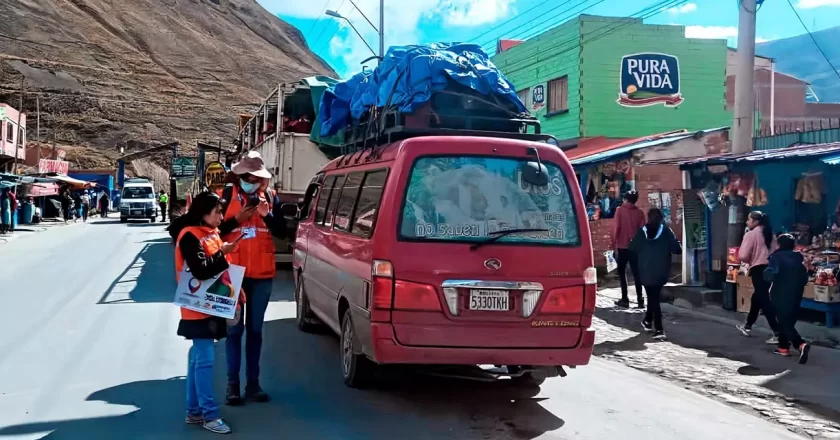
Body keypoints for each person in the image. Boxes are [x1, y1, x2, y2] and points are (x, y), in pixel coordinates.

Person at [167, 192, 243, 434]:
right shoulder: (190, 236)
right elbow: (200, 271)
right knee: (205, 360)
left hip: (210, 304)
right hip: (197, 307)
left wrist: (236, 295)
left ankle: (194, 411)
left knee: (198, 359)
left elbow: (222, 272)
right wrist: (223, 252)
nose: (222, 217)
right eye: (217, 212)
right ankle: (210, 415)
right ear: (203, 213)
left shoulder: (210, 233)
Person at [218, 151, 287, 406]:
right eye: (249, 177)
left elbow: (282, 232)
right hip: (233, 275)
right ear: (240, 176)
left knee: (256, 332)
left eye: (257, 178)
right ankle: (232, 386)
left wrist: (268, 215)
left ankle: (253, 384)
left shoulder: (269, 197)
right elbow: (214, 232)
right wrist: (237, 219)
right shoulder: (225, 198)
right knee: (234, 332)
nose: (253, 182)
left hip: (261, 275)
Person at [629, 208, 682, 340]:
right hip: (661, 270)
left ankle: (658, 327)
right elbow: (677, 250)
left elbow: (632, 249)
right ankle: (650, 322)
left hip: (645, 270)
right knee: (654, 297)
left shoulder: (642, 232)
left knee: (652, 297)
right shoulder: (665, 231)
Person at [764, 234, 812, 363]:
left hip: (780, 293)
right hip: (796, 293)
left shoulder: (776, 257)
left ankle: (800, 344)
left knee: (783, 321)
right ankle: (783, 348)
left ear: (779, 245)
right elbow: (805, 278)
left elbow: (770, 275)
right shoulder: (798, 258)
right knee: (788, 320)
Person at [736, 211, 781, 343]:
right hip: (770, 268)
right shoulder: (770, 234)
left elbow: (743, 256)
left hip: (758, 268)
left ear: (756, 222)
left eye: (749, 220)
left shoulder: (751, 234)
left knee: (764, 299)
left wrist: (751, 259)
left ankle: (777, 332)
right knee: (757, 297)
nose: (747, 222)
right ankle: (748, 326)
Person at [611, 191, 647, 308]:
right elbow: (643, 232)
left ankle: (625, 299)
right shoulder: (640, 213)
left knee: (622, 273)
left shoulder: (619, 210)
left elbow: (616, 228)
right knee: (637, 273)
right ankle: (640, 300)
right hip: (635, 248)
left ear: (626, 199)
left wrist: (613, 244)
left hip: (622, 246)